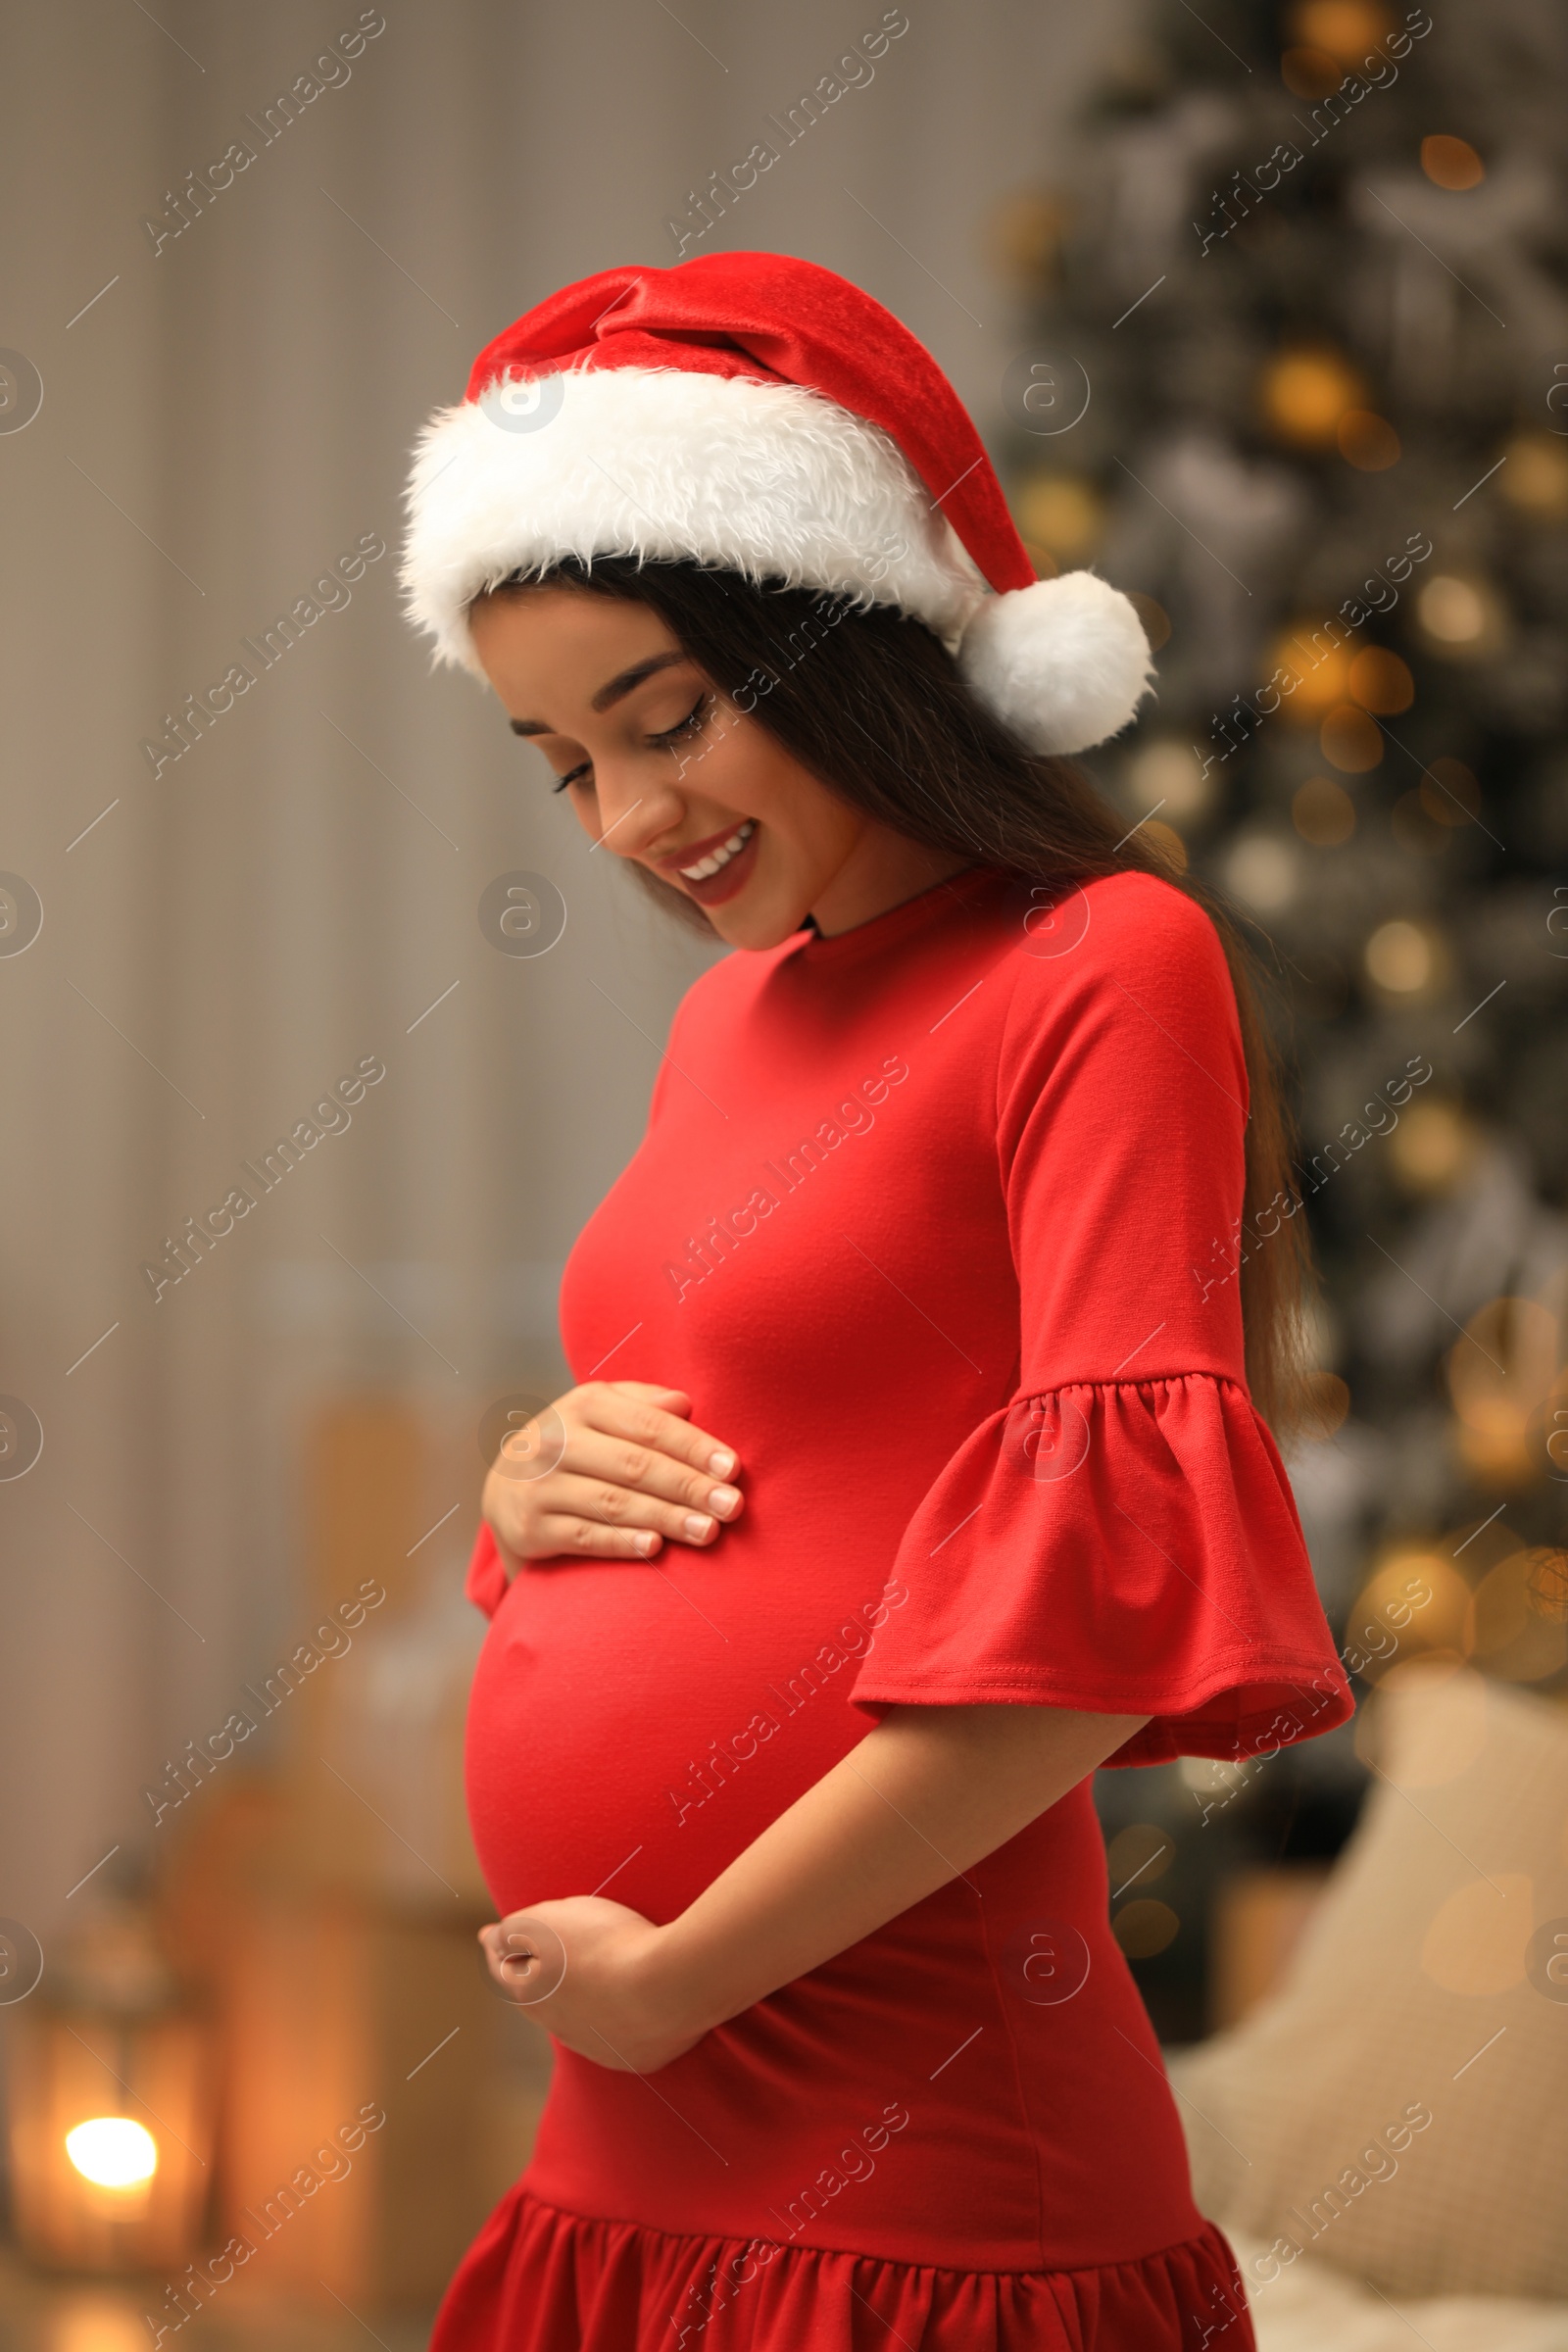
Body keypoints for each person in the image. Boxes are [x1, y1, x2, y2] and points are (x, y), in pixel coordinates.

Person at [402, 252, 1352, 2351]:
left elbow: (1101, 1632)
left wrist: (682, 1974)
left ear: (844, 645)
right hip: (625, 2147)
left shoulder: (1100, 965)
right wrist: (522, 1492)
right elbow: (755, 1445)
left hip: (917, 2151)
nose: (633, 820)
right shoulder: (735, 1020)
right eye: (560, 762)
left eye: (666, 720)